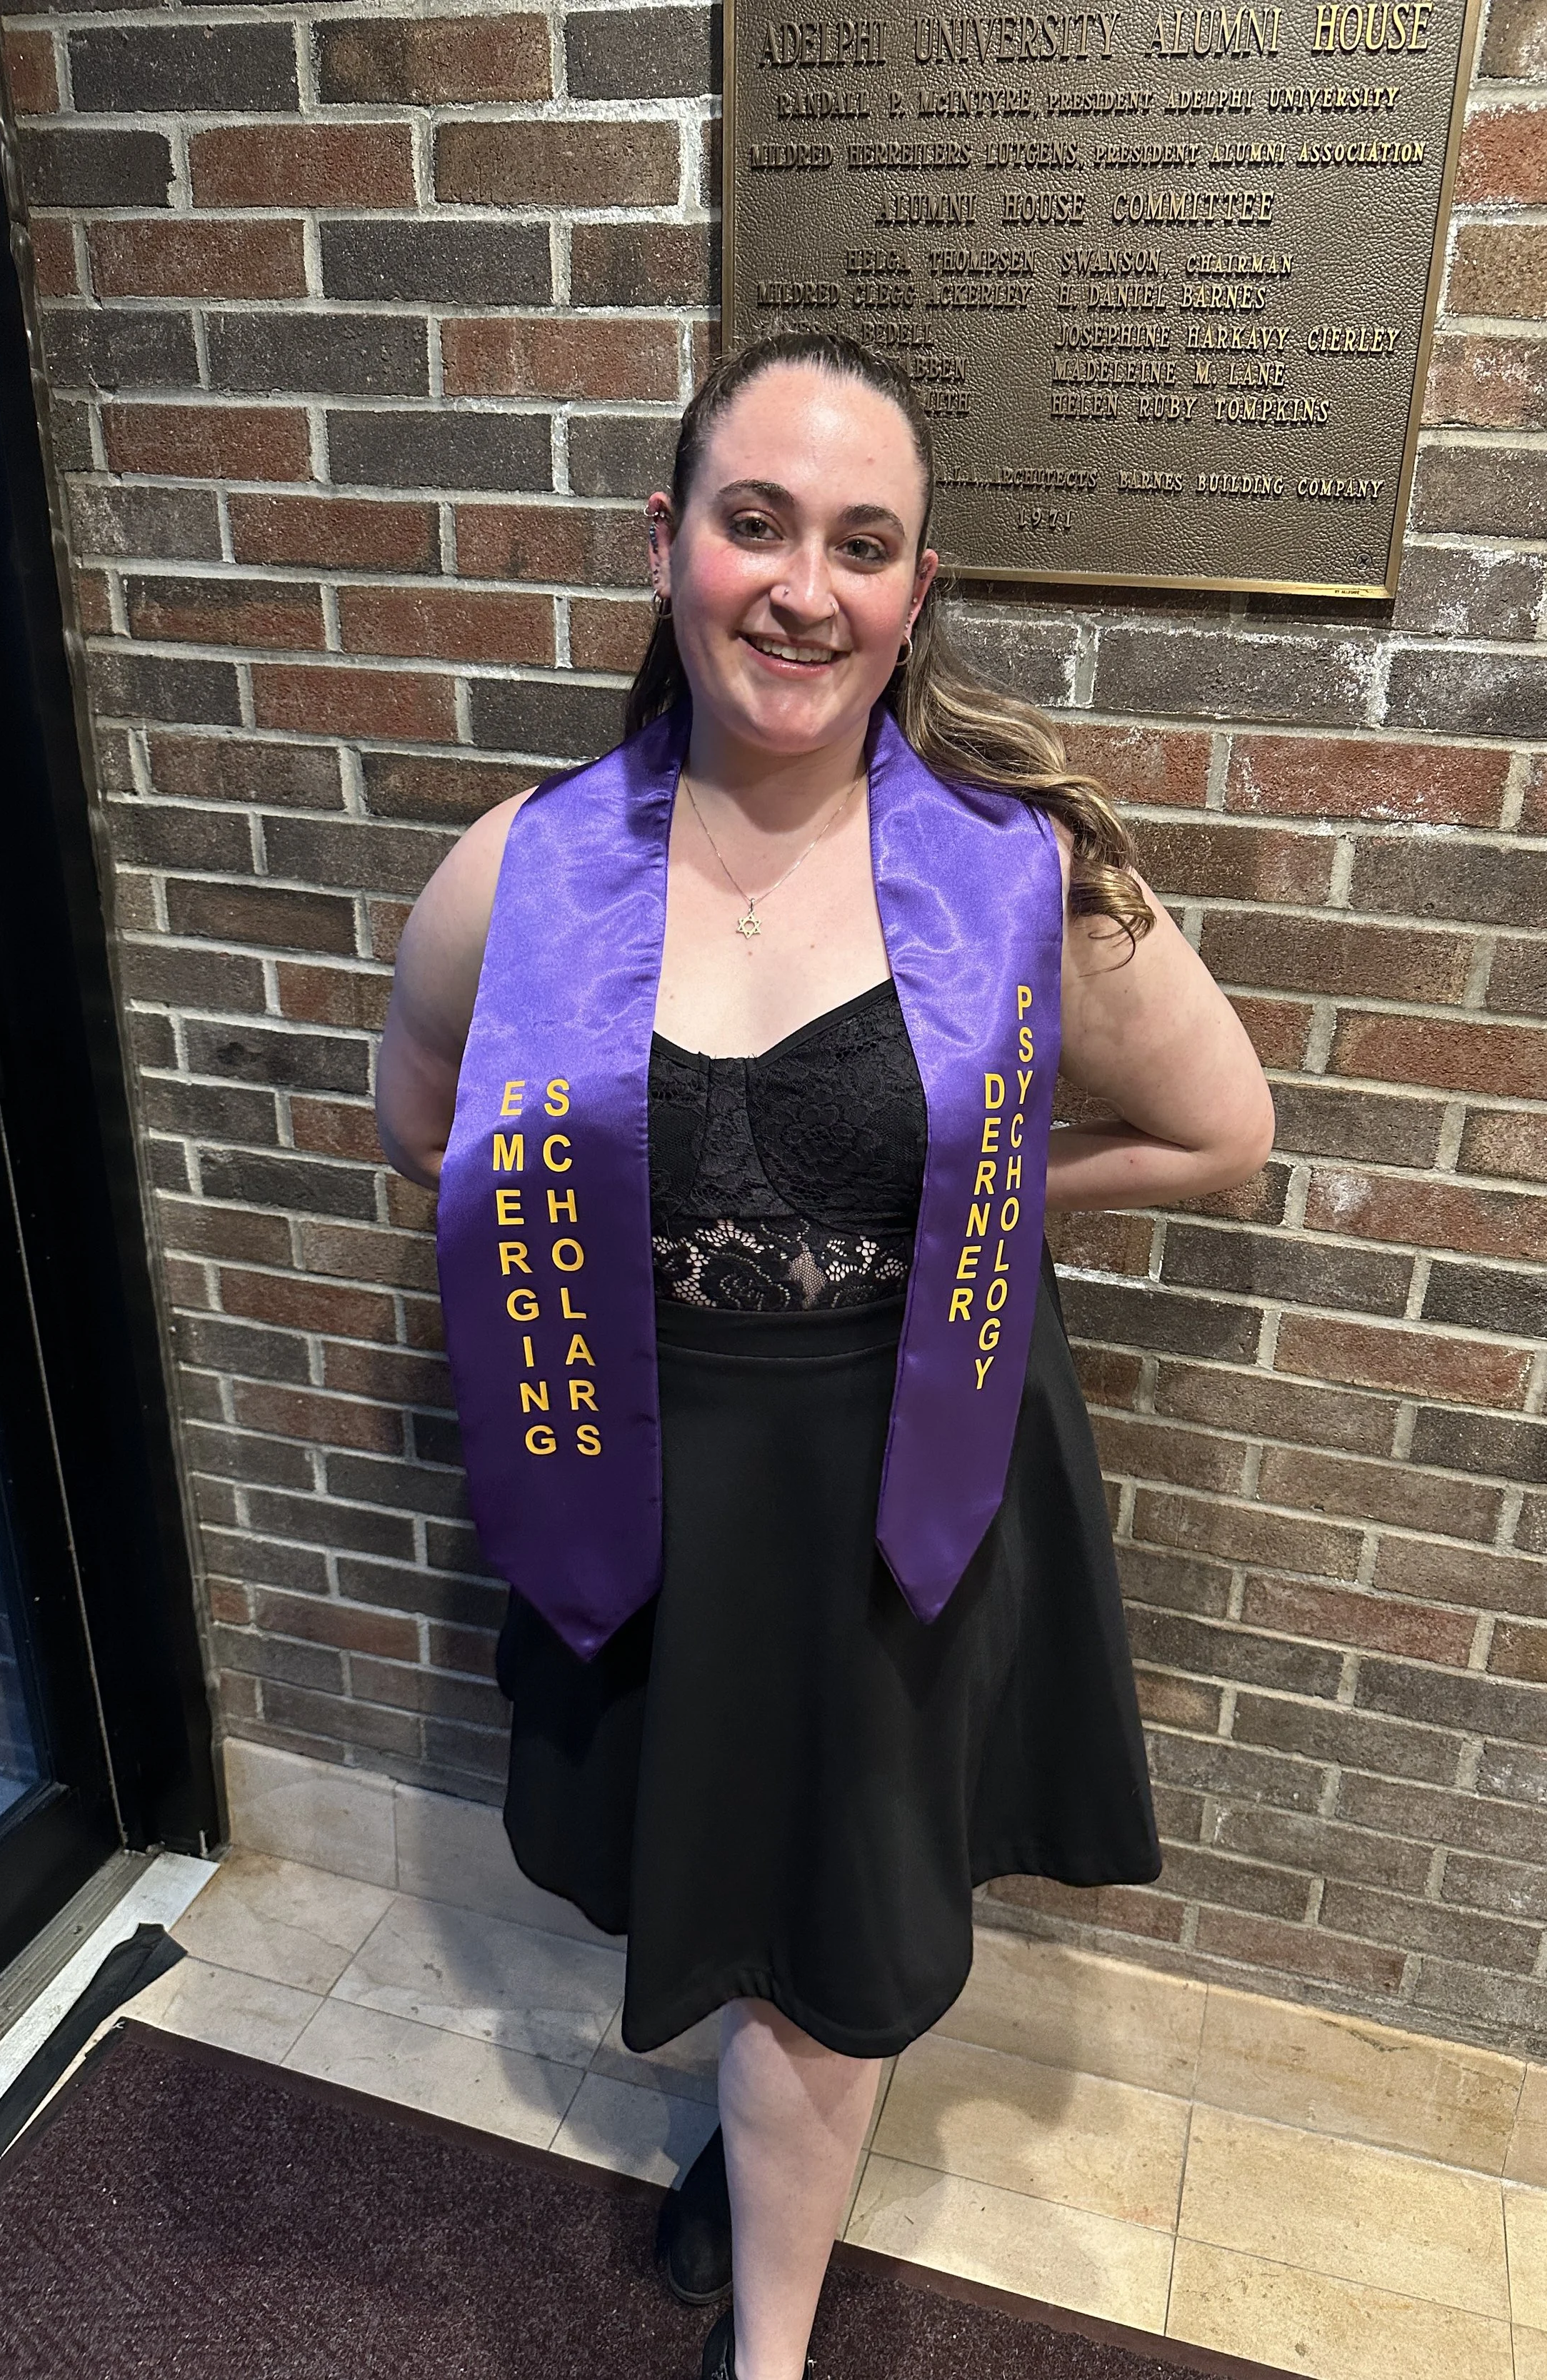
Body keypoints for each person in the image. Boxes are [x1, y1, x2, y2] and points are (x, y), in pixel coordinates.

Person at [375, 329, 1273, 2380]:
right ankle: (747, 2146)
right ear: (668, 544)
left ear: (915, 590)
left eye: (861, 543)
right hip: (648, 1467)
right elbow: (423, 1123)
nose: (803, 584)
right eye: (753, 521)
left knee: (836, 1947)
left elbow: (1222, 1129)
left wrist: (991, 1208)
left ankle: (764, 2346)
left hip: (899, 1478)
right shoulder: (516, 880)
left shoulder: (1021, 879)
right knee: (724, 1886)